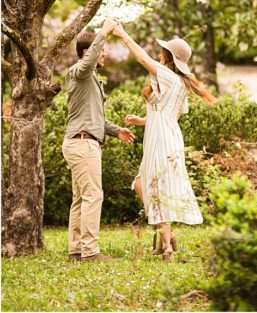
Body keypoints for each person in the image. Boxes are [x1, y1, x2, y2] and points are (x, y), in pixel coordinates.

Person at [112, 22, 214, 261]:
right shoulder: (180, 82)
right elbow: (170, 115)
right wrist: (141, 121)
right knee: (142, 184)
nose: (159, 53)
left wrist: (123, 34)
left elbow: (143, 59)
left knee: (156, 188)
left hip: (161, 139)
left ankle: (166, 245)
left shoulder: (168, 76)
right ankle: (167, 236)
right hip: (167, 135)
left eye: (163, 51)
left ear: (168, 57)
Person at [63, 19, 136, 262]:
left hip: (83, 141)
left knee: (81, 198)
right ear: (87, 53)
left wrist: (117, 131)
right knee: (94, 196)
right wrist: (103, 32)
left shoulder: (90, 79)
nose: (104, 54)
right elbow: (87, 64)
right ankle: (90, 252)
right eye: (100, 50)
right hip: (82, 144)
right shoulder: (79, 72)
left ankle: (76, 250)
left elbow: (95, 119)